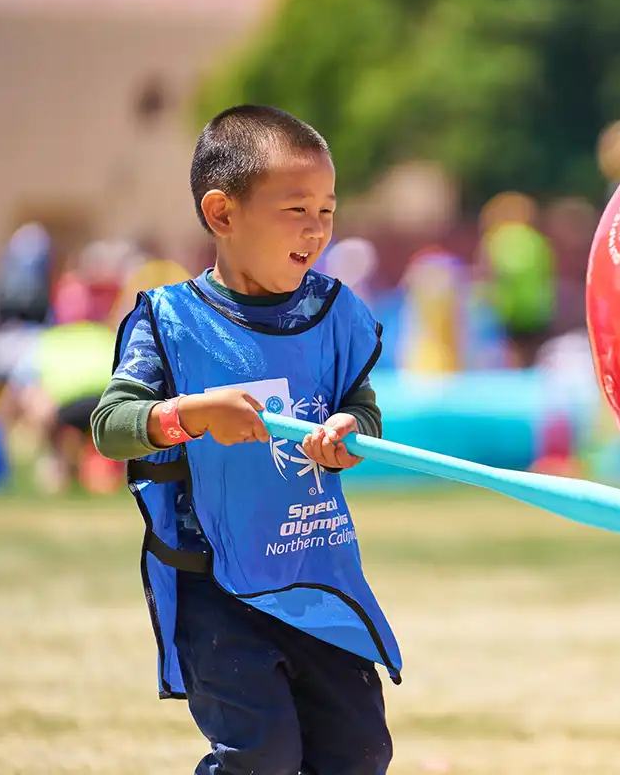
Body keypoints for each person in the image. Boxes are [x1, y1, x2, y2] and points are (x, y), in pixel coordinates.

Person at [91, 105, 400, 773]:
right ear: (223, 214)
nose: (317, 230)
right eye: (296, 210)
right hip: (217, 592)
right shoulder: (169, 321)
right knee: (260, 757)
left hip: (319, 579)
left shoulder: (335, 312)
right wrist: (192, 414)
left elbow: (363, 408)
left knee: (359, 754)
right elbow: (112, 426)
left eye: (327, 210)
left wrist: (353, 429)